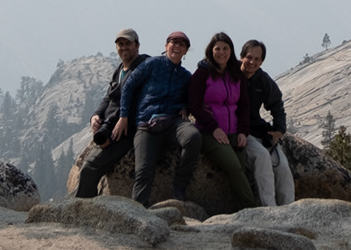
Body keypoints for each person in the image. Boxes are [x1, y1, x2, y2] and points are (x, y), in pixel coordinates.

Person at [117, 30, 201, 203]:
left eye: (181, 44)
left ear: (186, 51)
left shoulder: (186, 76)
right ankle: (138, 211)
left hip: (172, 123)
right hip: (146, 124)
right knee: (144, 171)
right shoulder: (152, 64)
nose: (177, 46)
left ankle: (179, 186)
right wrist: (123, 116)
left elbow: (191, 98)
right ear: (166, 45)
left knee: (193, 137)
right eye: (173, 42)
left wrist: (185, 107)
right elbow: (129, 86)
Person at [186, 31, 259, 208]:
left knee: (240, 169)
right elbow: (194, 105)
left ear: (231, 50)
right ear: (211, 51)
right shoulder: (202, 73)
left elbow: (244, 105)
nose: (221, 52)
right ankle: (252, 209)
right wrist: (213, 128)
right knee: (234, 166)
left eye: (225, 48)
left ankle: (238, 211)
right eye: (217, 48)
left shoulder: (236, 73)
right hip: (209, 133)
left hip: (234, 131)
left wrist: (243, 131)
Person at [72, 28, 145, 197]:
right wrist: (95, 116)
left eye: (128, 43)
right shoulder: (120, 69)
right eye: (120, 44)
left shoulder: (142, 68)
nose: (124, 47)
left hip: (125, 131)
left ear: (137, 45)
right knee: (88, 168)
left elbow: (136, 101)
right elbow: (109, 98)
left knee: (90, 167)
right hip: (110, 126)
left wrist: (115, 128)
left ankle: (82, 210)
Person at [239, 39, 294, 206]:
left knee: (283, 168)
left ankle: (290, 211)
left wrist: (279, 130)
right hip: (240, 130)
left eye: (257, 59)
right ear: (241, 57)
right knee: (262, 157)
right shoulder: (232, 75)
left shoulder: (262, 80)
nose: (252, 62)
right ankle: (270, 211)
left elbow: (276, 104)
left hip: (259, 130)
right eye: (249, 57)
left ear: (261, 61)